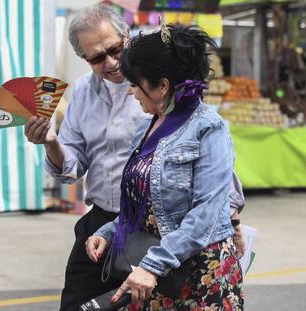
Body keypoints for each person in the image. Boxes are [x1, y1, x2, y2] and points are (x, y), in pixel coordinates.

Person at [86, 24, 244, 310]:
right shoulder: (146, 129)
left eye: (136, 84)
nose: (132, 93)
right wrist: (109, 231)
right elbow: (142, 205)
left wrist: (153, 265)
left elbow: (206, 214)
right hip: (153, 271)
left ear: (162, 86)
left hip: (198, 275)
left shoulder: (209, 128)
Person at [24, 4, 150, 310]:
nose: (110, 62)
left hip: (150, 225)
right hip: (101, 219)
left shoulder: (155, 85)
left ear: (127, 38)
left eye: (115, 49)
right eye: (96, 58)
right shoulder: (83, 91)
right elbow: (71, 168)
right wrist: (51, 141)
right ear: (84, 59)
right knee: (76, 302)